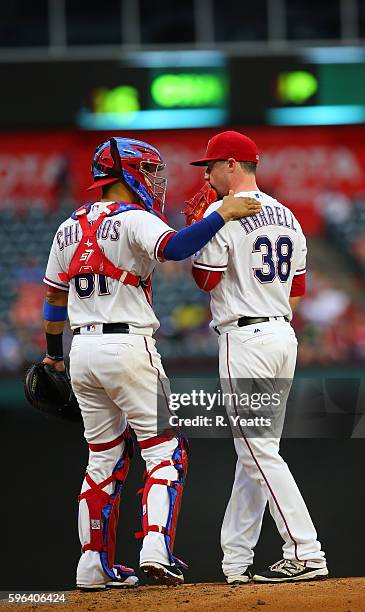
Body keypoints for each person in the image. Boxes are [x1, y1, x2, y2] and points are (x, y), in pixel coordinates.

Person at [42, 136, 261, 590]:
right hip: (128, 347)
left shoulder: (68, 225)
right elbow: (176, 249)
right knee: (165, 451)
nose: (156, 179)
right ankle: (156, 550)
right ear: (128, 174)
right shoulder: (135, 218)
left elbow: (52, 297)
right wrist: (222, 214)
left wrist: (52, 356)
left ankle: (91, 566)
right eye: (150, 170)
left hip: (80, 351)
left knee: (102, 459)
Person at [189, 131, 328, 584]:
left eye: (210, 165)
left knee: (257, 451)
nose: (206, 174)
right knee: (256, 452)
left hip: (245, 338)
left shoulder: (219, 214)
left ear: (232, 165)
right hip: (282, 335)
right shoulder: (287, 213)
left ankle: (305, 551)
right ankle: (236, 561)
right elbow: (298, 290)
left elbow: (206, 281)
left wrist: (199, 235)